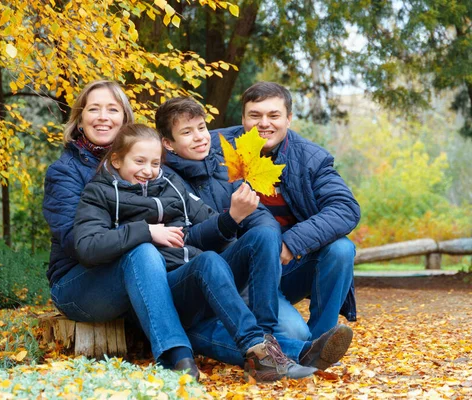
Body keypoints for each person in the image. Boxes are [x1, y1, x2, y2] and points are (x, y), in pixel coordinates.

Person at [72, 123, 317, 382]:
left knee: (229, 250)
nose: (148, 170)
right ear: (117, 160)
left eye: (155, 163)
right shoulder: (99, 192)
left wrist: (233, 216)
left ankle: (263, 348)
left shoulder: (169, 185)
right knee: (205, 262)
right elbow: (88, 247)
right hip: (159, 290)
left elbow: (209, 224)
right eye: (139, 161)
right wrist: (147, 231)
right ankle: (268, 351)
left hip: (195, 277)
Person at [155, 96, 355, 371]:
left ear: (289, 118)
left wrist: (284, 242)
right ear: (168, 143)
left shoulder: (221, 166)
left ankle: (270, 340)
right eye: (187, 133)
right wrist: (232, 218)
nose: (199, 137)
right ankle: (301, 350)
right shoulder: (159, 177)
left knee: (272, 234)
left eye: (202, 129)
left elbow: (265, 219)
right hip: (192, 285)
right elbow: (182, 240)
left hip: (240, 276)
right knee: (213, 274)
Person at [43, 81, 200, 378]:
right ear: (80, 117)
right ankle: (176, 359)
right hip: (79, 284)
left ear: (125, 119)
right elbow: (77, 244)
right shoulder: (65, 172)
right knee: (140, 250)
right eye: (94, 109)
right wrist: (145, 231)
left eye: (112, 109)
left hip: (145, 275)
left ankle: (274, 351)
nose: (103, 116)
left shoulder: (146, 165)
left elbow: (184, 219)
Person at [216, 82, 360, 341]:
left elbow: (346, 208)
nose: (264, 123)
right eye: (255, 115)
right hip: (239, 273)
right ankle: (300, 345)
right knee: (294, 334)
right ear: (243, 118)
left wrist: (291, 243)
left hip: (288, 267)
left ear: (289, 119)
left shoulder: (310, 158)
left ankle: (321, 340)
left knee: (341, 248)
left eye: (274, 115)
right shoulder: (217, 149)